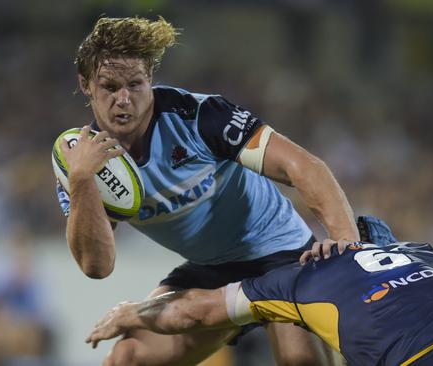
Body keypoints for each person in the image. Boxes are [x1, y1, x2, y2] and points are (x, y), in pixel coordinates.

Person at [56, 16, 359, 366]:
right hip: (210, 270)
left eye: (135, 84)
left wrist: (350, 248)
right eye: (109, 87)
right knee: (128, 358)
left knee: (300, 362)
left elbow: (304, 168)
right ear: (85, 84)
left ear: (150, 79)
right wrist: (80, 182)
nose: (124, 100)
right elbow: (97, 266)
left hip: (281, 257)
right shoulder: (79, 163)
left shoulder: (200, 116)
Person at [86, 218, 433, 366]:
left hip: (420, 355)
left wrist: (132, 311)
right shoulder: (423, 251)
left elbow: (194, 313)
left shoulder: (294, 276)